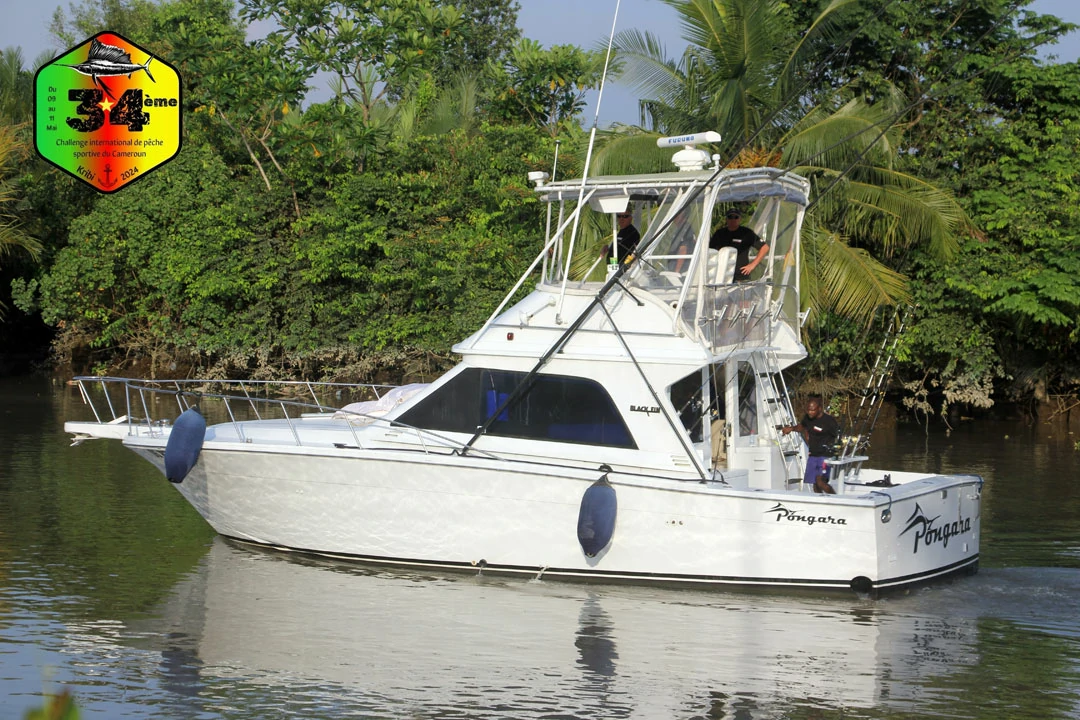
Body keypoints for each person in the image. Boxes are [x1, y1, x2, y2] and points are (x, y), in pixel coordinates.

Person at [782, 396, 840, 494]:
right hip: (813, 455)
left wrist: (836, 451)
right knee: (815, 485)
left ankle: (837, 500)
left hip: (825, 456)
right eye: (808, 410)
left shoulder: (829, 421)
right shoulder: (808, 418)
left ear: (819, 409)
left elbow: (838, 436)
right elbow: (802, 426)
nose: (810, 412)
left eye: (812, 410)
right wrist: (791, 429)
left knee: (820, 482)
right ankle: (819, 503)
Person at [709, 208, 768, 281]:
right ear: (726, 219)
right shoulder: (719, 233)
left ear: (740, 219)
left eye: (736, 217)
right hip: (721, 275)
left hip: (741, 277)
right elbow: (711, 250)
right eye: (730, 217)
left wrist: (753, 265)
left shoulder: (746, 233)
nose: (733, 220)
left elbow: (764, 247)